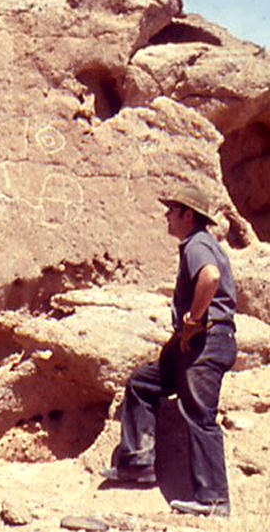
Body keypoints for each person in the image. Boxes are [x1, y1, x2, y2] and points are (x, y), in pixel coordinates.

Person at [101, 184, 237, 517]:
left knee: (200, 416)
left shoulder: (197, 244)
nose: (166, 215)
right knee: (142, 383)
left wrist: (192, 320)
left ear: (187, 215)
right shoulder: (199, 243)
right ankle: (138, 463)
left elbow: (211, 276)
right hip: (195, 344)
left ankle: (214, 501)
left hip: (206, 342)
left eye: (172, 210)